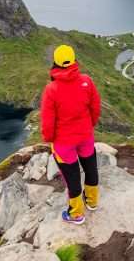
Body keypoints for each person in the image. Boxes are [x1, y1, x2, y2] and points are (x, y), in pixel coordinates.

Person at [40, 44, 101, 224]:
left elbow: (47, 121)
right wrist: (90, 125)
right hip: (85, 136)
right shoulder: (86, 81)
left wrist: (49, 139)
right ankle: (92, 201)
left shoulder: (52, 89)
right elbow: (95, 107)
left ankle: (76, 214)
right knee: (90, 168)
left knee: (72, 176)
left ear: (56, 63)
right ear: (74, 60)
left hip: (64, 142)